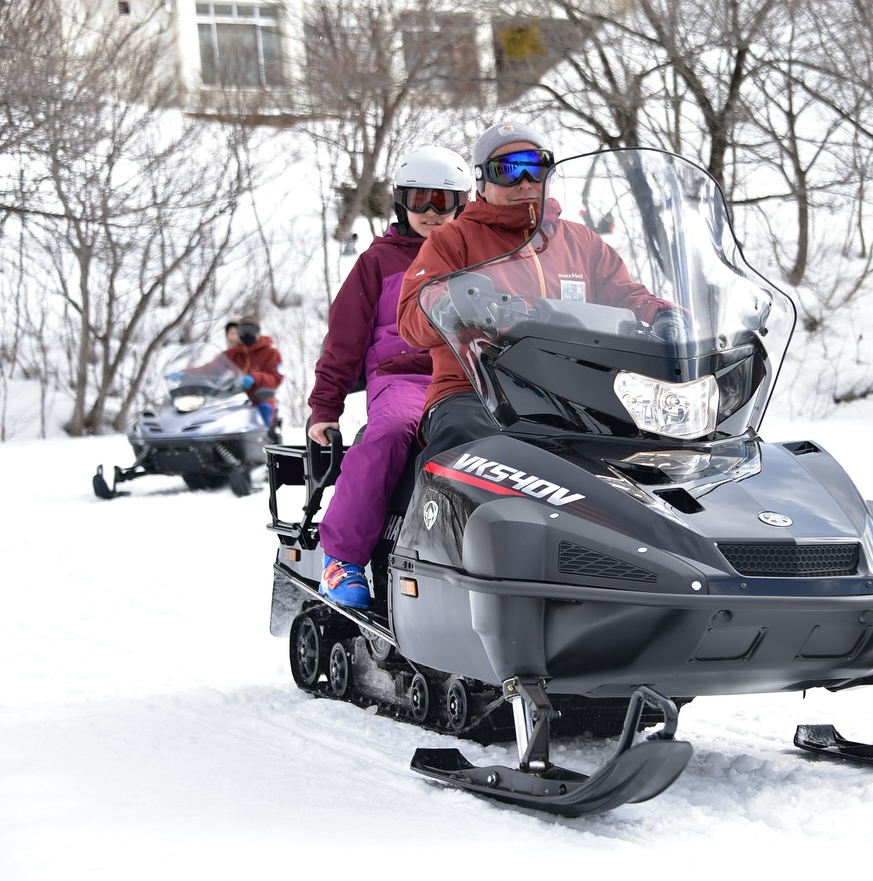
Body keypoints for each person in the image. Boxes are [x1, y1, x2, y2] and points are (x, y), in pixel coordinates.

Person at [397, 121, 676, 469]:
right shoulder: (452, 239)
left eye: (536, 167)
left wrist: (664, 316)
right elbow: (411, 320)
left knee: (648, 448)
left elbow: (625, 296)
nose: (525, 182)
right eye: (507, 171)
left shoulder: (580, 241)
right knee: (469, 446)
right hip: (475, 389)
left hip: (575, 390)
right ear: (482, 180)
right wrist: (450, 305)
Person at [306, 145, 473, 608]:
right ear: (401, 201)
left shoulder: (477, 257)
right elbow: (344, 339)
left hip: (471, 378)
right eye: (420, 199)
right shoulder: (378, 262)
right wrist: (325, 407)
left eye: (443, 200)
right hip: (404, 378)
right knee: (393, 431)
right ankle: (343, 559)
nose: (431, 212)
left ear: (462, 204)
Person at [221, 314, 284, 432]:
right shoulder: (231, 354)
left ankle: (266, 437)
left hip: (259, 400)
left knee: (264, 410)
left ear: (258, 332)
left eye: (251, 330)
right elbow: (210, 368)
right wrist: (187, 374)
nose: (247, 334)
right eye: (243, 330)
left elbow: (276, 378)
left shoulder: (271, 353)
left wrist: (255, 377)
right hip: (232, 399)